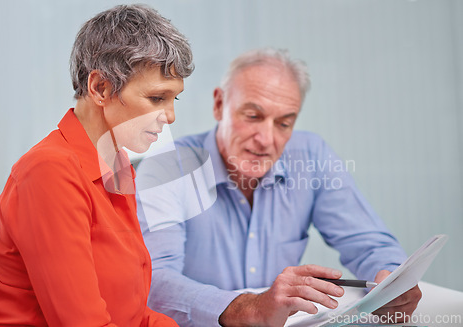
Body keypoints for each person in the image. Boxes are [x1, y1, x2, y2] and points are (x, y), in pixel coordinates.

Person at [135, 48, 421, 327]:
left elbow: (368, 243)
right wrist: (247, 309)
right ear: (219, 104)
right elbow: (155, 280)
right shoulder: (167, 167)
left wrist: (393, 280)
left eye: (284, 123)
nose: (266, 139)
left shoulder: (310, 155)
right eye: (253, 116)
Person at [0, 4, 193, 326]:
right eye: (157, 98)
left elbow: (132, 313)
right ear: (100, 88)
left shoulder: (117, 166)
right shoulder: (48, 172)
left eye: (175, 99)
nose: (170, 116)